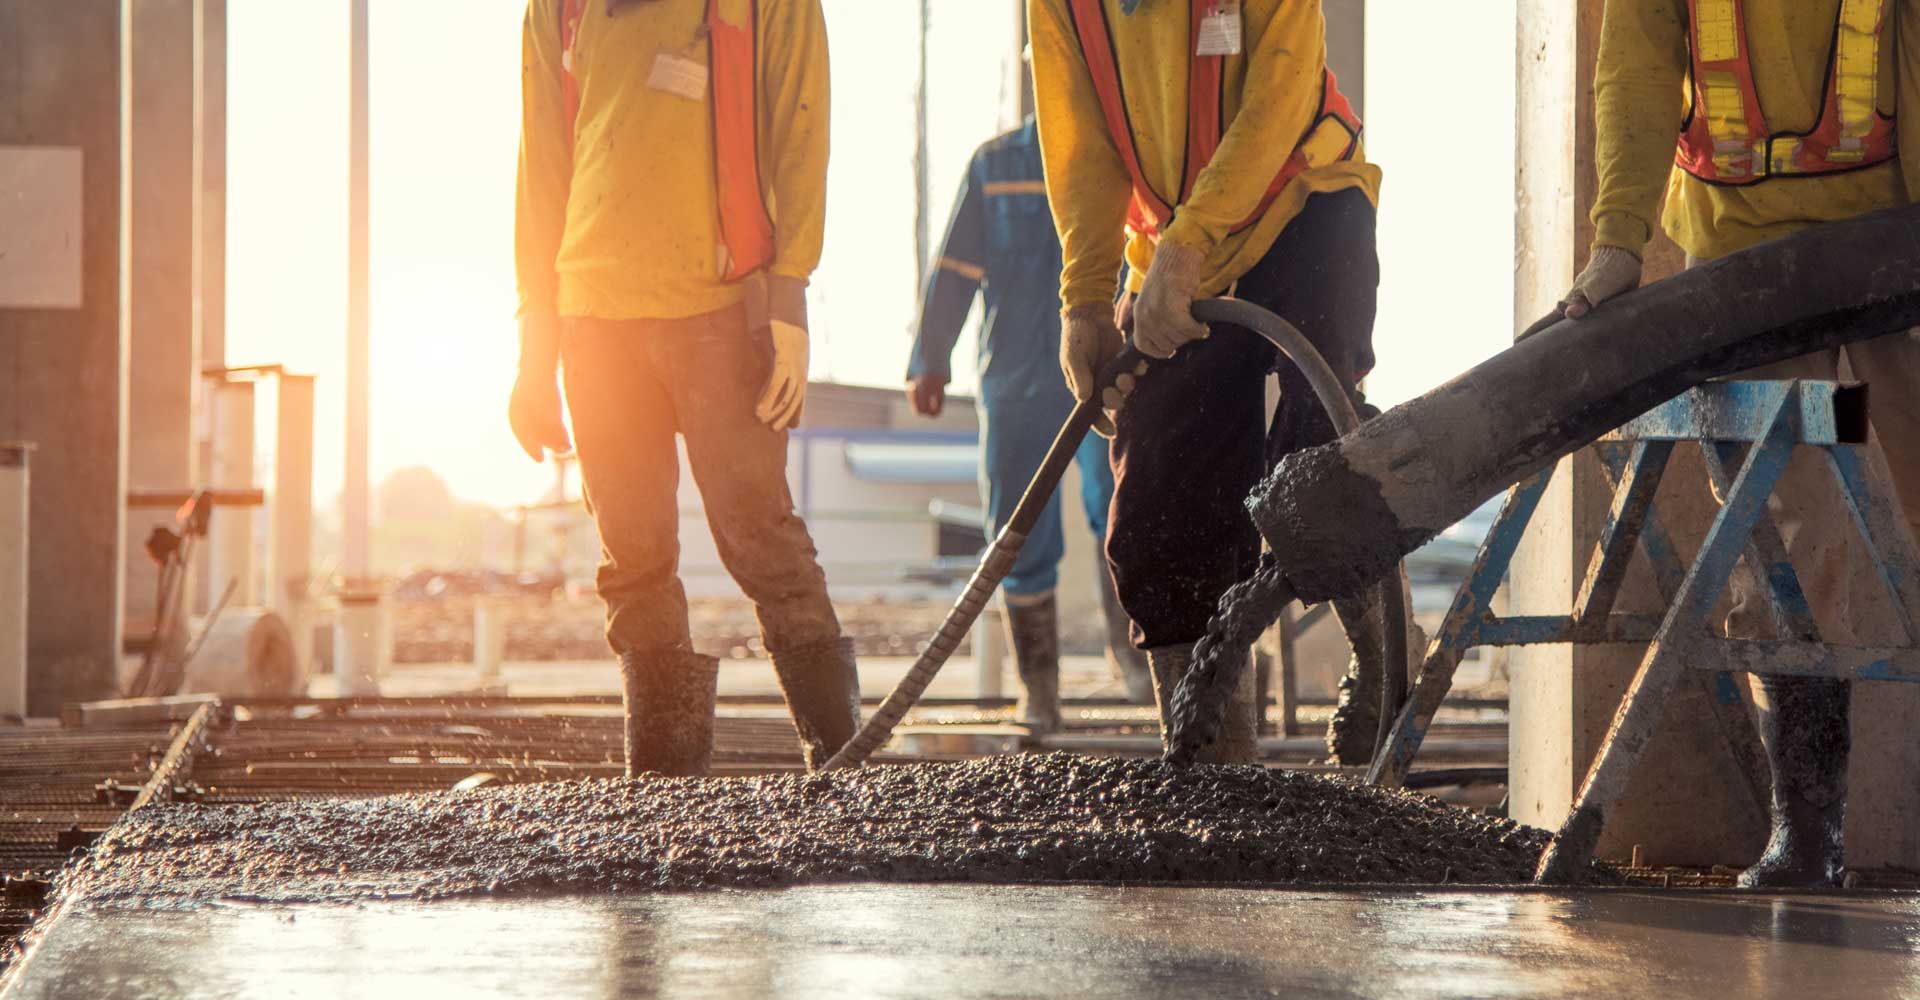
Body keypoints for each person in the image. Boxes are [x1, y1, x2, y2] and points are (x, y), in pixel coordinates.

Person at [1570, 0, 1920, 886]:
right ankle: (1809, 838)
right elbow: (1638, 69)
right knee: (1791, 549)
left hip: (1897, 237)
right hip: (1745, 256)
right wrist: (1618, 239)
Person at [1027, 0, 1388, 763]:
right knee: (1161, 505)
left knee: (1318, 454)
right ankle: (1214, 777)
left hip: (1306, 203)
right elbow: (1080, 135)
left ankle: (1381, 647)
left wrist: (1187, 245)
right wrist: (1085, 297)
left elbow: (1279, 96)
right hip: (1175, 247)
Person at [510, 0, 859, 776]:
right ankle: (666, 797)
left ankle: (843, 776)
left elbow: (801, 127)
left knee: (761, 540)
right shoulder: (556, 7)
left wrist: (790, 301)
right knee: (631, 563)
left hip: (721, 311)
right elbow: (541, 169)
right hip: (592, 324)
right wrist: (536, 350)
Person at [907, 115, 1156, 733]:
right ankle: (1039, 689)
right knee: (1019, 526)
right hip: (1018, 381)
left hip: (1109, 372)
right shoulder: (996, 166)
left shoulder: (1126, 153)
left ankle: (1133, 658)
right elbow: (955, 271)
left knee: (1127, 509)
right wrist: (930, 360)